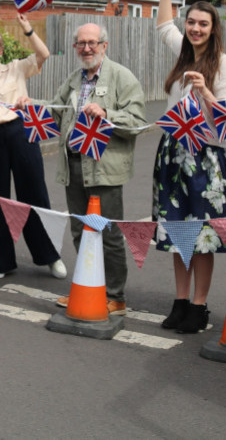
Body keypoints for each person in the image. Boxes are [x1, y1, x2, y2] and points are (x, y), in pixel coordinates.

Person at [154, 0, 226, 333]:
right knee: (179, 232)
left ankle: (200, 306)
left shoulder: (224, 64)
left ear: (213, 28)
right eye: (191, 22)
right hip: (174, 153)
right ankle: (179, 301)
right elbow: (162, 25)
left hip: (207, 157)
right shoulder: (182, 52)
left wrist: (205, 91)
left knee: (203, 235)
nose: (194, 28)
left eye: (202, 24)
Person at [45, 22, 146, 313]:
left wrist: (107, 113)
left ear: (104, 45)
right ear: (75, 47)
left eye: (92, 42)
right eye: (81, 43)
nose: (86, 48)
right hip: (73, 166)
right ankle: (88, 288)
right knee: (81, 232)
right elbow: (55, 111)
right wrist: (30, 104)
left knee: (109, 234)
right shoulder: (75, 79)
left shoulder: (121, 77)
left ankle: (115, 296)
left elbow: (138, 121)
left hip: (104, 169)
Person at [0, 14, 66, 280]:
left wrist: (26, 28)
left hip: (20, 132)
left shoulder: (16, 68)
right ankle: (3, 259)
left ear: (1, 50)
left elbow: (44, 54)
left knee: (34, 194)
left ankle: (49, 256)